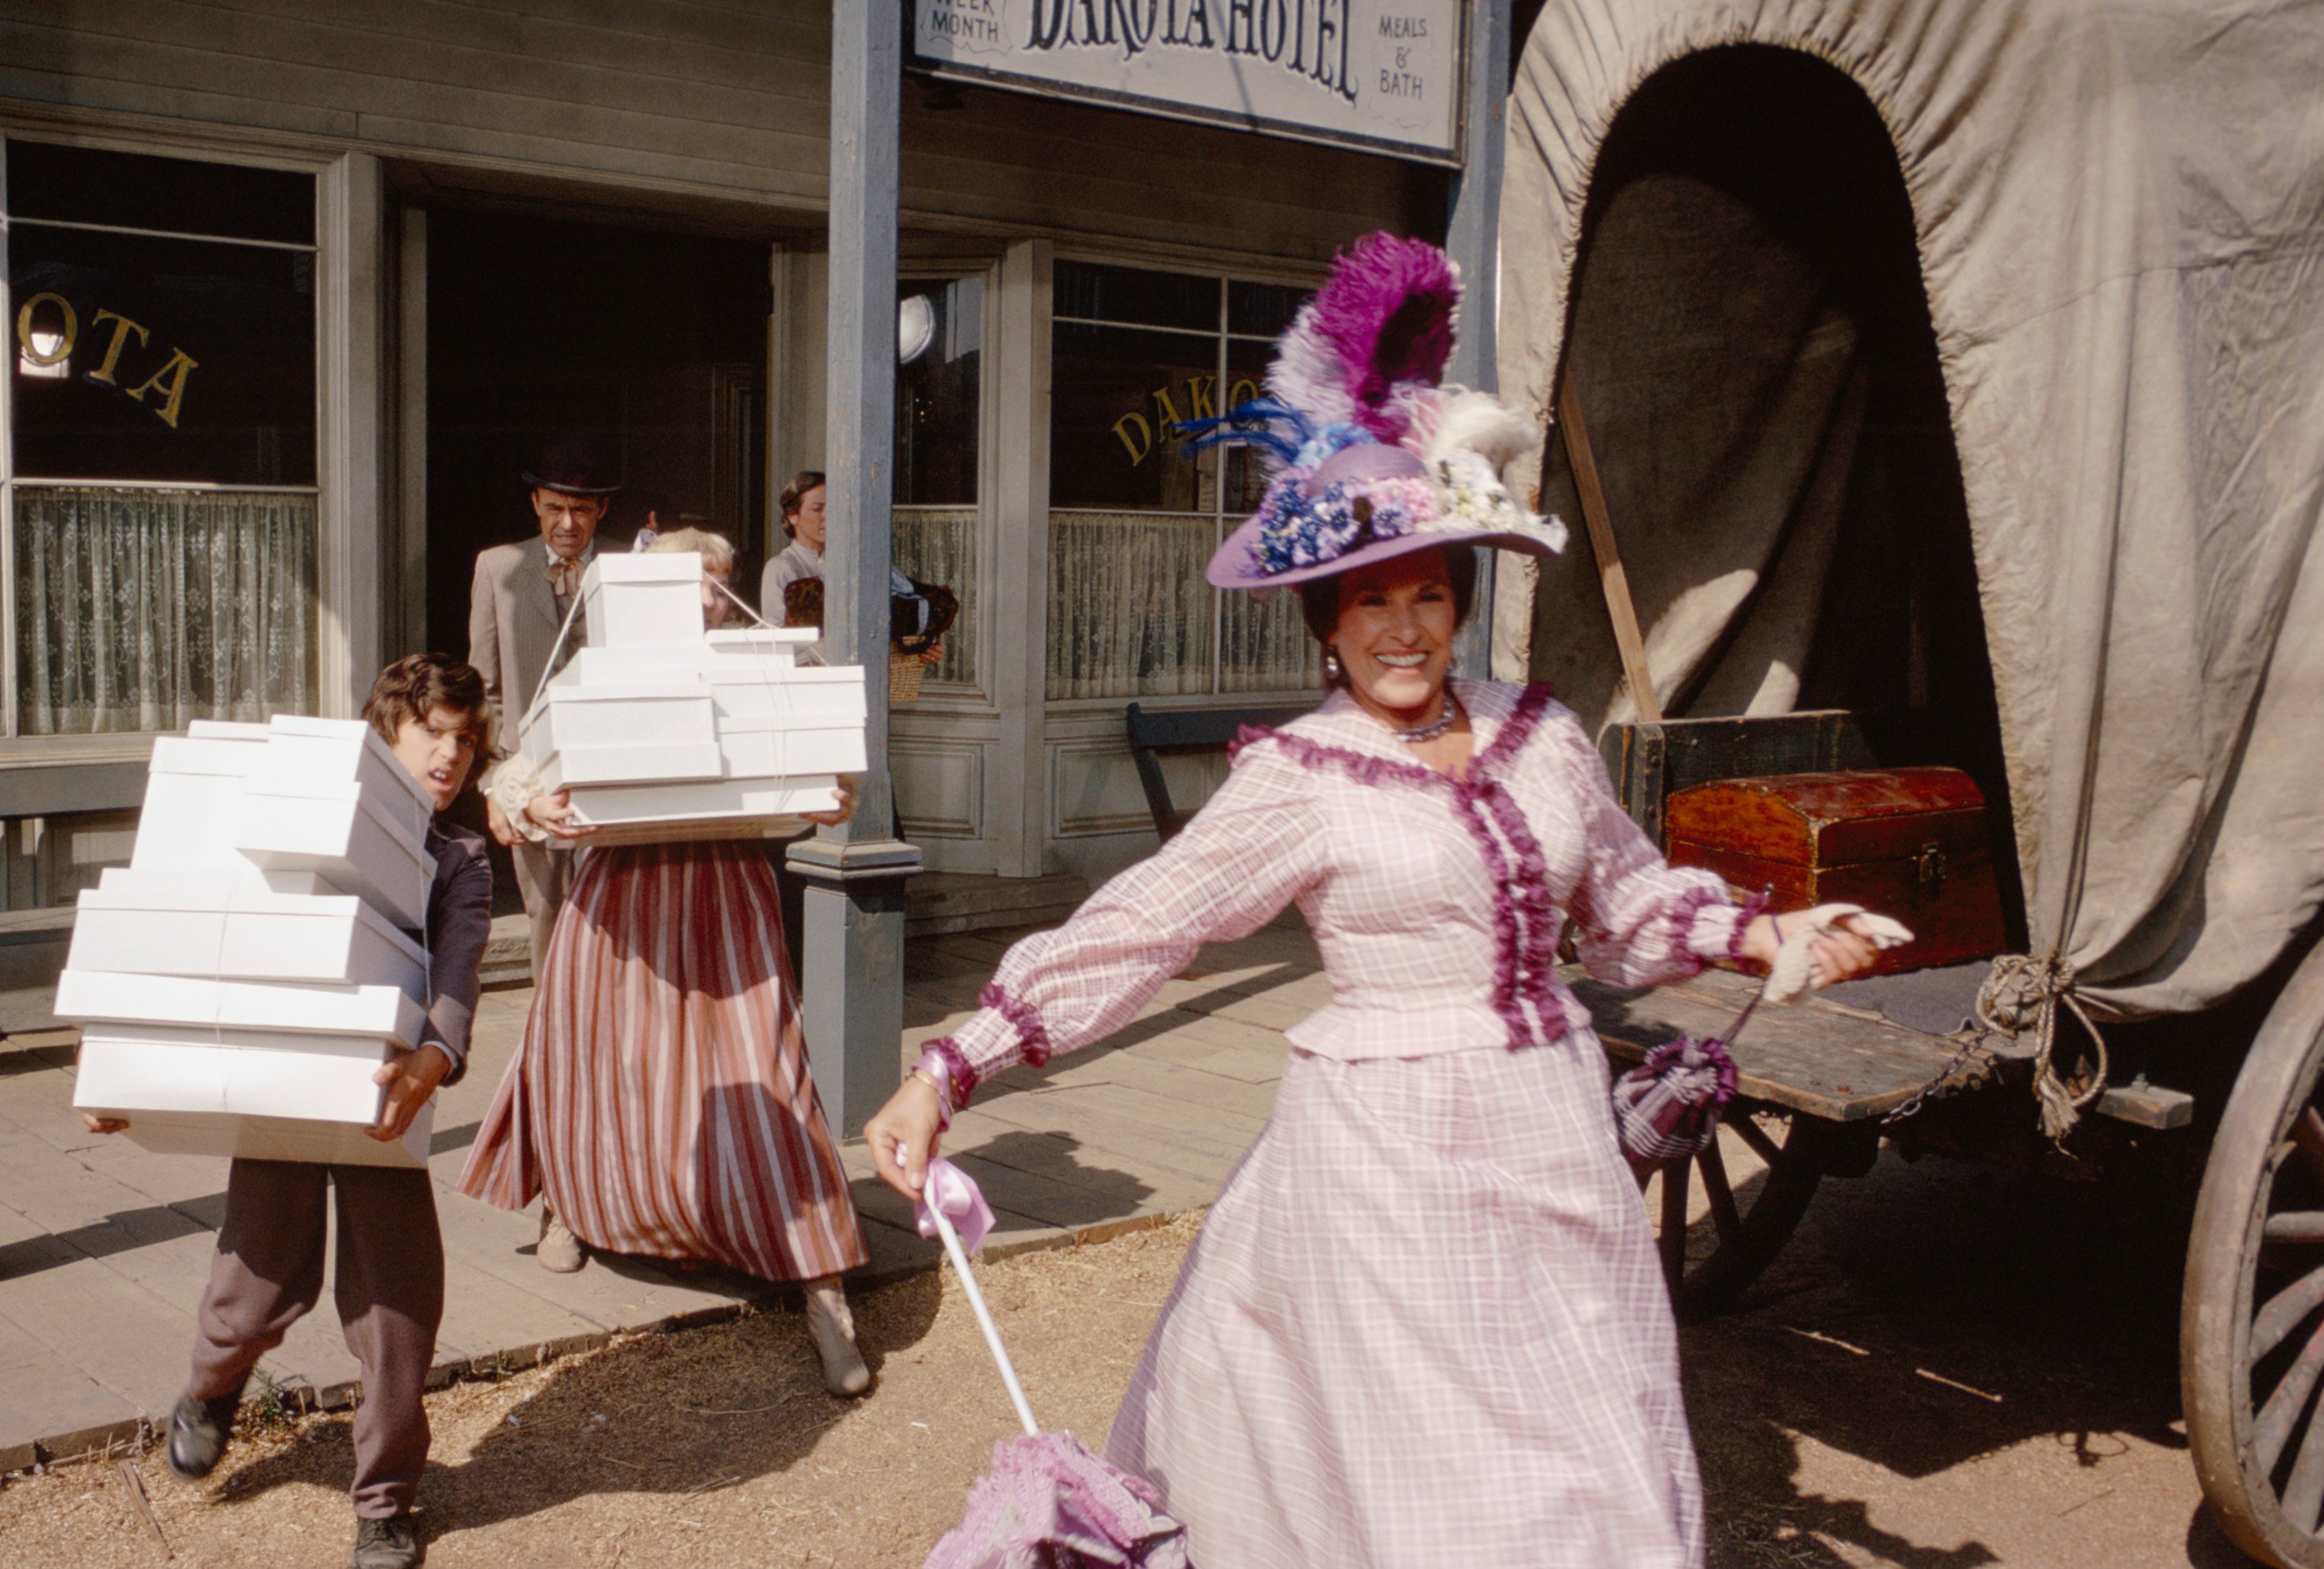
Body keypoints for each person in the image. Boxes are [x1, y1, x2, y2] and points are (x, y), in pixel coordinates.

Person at [865, 234, 1888, 1569]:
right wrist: (952, 1064)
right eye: (1369, 605)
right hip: (1384, 1168)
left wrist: (1767, 930)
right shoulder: (1301, 778)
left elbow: (1627, 901)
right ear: (1327, 627)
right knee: (1429, 1479)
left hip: (1555, 1141)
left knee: (1592, 1451)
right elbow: (1149, 921)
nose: (1403, 630)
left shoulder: (1542, 730)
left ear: (1458, 602)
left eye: (1426, 596)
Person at [85, 654, 496, 1569]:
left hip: (385, 1094)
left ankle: (385, 1500)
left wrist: (438, 1053)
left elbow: (461, 961)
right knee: (257, 1276)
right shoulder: (290, 812)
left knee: (397, 1303)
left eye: (466, 742)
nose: (451, 755)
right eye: (432, 731)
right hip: (275, 1081)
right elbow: (195, 913)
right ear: (384, 731)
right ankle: (211, 1388)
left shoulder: (461, 855)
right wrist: (120, 1062)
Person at [460, 527, 875, 1395]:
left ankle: (822, 1281)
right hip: (620, 898)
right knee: (596, 1061)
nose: (704, 603)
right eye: (684, 588)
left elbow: (827, 778)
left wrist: (837, 796)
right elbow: (514, 786)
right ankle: (570, 1203)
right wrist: (532, 806)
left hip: (726, 895)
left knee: (770, 1071)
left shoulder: (765, 675)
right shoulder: (590, 679)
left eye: (714, 589)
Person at [469, 435, 621, 984]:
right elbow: (484, 690)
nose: (567, 523)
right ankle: (551, 1045)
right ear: (536, 503)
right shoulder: (496, 568)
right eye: (555, 507)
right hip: (529, 779)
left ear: (601, 509)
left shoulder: (628, 568)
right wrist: (495, 785)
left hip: (611, 772)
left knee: (617, 920)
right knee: (546, 917)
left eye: (581, 509)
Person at [761, 468, 945, 669]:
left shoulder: (855, 564)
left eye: (833, 507)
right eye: (817, 509)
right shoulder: (781, 567)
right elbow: (778, 644)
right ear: (793, 516)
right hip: (810, 685)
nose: (828, 516)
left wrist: (925, 643)